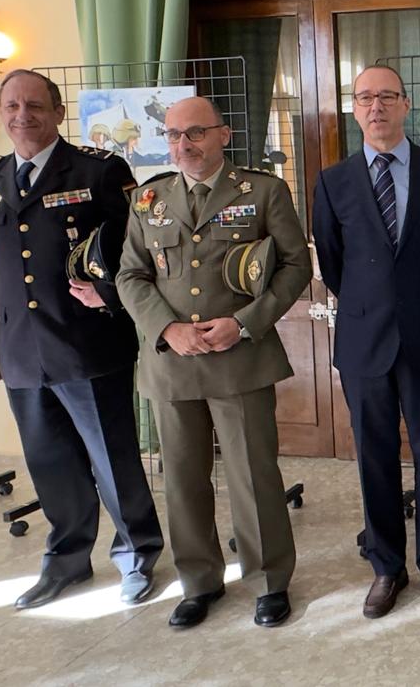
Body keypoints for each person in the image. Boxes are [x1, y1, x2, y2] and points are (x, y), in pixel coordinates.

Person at [0, 69, 163, 609]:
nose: (21, 114)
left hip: (89, 344)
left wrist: (112, 297)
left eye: (33, 105)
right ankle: (68, 560)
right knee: (49, 462)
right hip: (21, 351)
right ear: (0, 112)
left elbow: (133, 251)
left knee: (111, 459)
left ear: (56, 112)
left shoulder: (99, 170)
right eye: (10, 105)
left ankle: (137, 553)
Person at [117, 96, 311, 630]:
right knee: (182, 480)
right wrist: (167, 329)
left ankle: (269, 580)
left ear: (224, 134)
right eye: (175, 135)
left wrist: (245, 322)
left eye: (196, 133)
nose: (184, 145)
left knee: (254, 476)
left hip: (240, 358)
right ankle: (198, 581)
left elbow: (295, 266)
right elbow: (130, 276)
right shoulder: (148, 199)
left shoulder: (263, 190)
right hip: (172, 362)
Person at [311, 65, 420, 619]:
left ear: (406, 104)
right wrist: (372, 304)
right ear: (354, 109)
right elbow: (334, 265)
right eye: (364, 98)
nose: (376, 106)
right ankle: (386, 567)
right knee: (374, 458)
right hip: (364, 342)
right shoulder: (333, 181)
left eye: (386, 96)